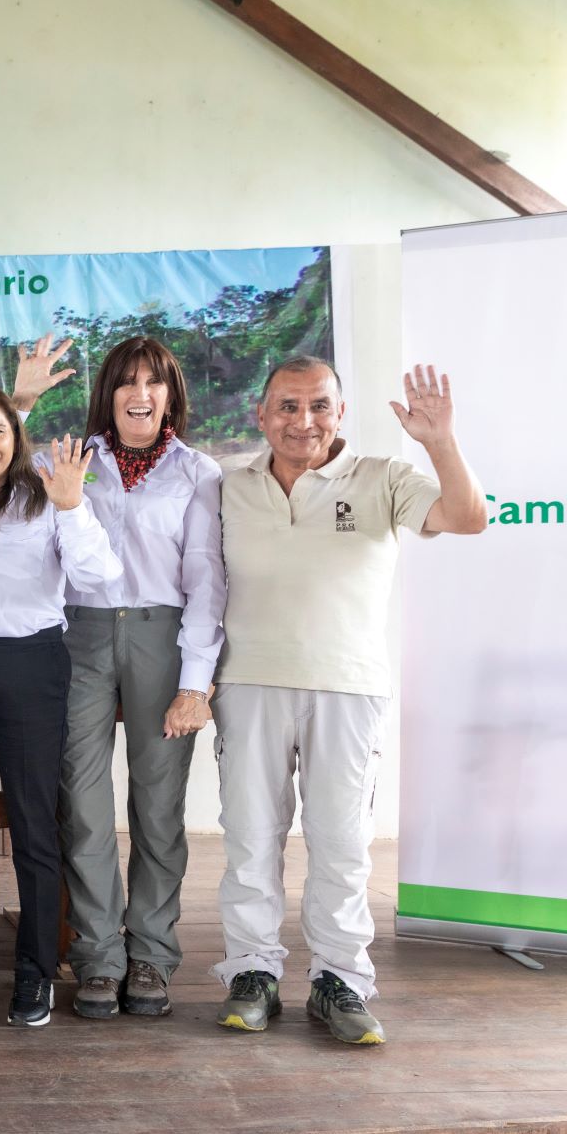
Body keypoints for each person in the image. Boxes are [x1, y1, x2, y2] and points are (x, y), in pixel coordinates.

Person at [212, 358, 486, 1045]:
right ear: (260, 413)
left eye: (317, 406)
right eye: (286, 406)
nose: (302, 421)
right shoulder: (228, 487)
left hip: (348, 684)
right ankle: (252, 974)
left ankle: (338, 981)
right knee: (249, 837)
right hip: (247, 681)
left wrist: (439, 442)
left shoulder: (383, 477)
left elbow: (467, 518)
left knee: (339, 843)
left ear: (340, 412)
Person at [14, 337, 226, 1021]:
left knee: (158, 806)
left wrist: (196, 680)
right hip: (78, 633)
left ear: (170, 395)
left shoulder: (197, 473)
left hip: (161, 636)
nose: (140, 394)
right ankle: (98, 957)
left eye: (153, 384)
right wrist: (21, 402)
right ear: (106, 393)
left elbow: (206, 582)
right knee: (80, 800)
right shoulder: (72, 458)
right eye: (126, 383)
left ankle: (151, 956)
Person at [0, 386, 121, 1027]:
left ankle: (35, 975)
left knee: (34, 829)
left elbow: (99, 578)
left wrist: (76, 506)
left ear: (16, 440)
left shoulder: (47, 500)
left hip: (30, 669)